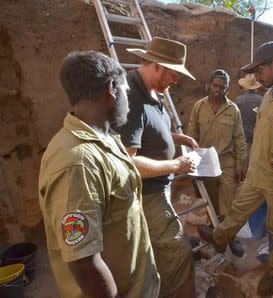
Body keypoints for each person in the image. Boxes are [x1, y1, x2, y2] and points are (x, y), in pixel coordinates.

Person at [198, 41, 273, 296]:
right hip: (256, 174)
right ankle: (219, 240)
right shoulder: (268, 95)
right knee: (237, 210)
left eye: (259, 69)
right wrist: (247, 164)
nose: (256, 76)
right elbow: (261, 137)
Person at [39, 51, 160, 297]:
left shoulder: (107, 138)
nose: (128, 99)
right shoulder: (77, 163)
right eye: (126, 91)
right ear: (112, 89)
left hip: (137, 284)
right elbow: (84, 263)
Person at [113, 37, 197, 298]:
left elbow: (148, 134)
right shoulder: (132, 98)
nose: (176, 80)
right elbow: (129, 162)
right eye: (173, 74)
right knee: (180, 252)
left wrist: (177, 138)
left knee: (161, 252)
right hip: (147, 194)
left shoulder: (152, 92)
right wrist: (177, 164)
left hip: (159, 187)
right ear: (158, 66)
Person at [187, 69, 247, 256]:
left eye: (222, 87)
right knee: (210, 201)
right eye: (215, 85)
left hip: (226, 163)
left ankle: (230, 237)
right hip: (205, 162)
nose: (217, 90)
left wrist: (240, 165)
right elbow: (192, 134)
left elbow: (240, 139)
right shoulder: (199, 106)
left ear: (226, 89)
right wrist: (190, 159)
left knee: (228, 201)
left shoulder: (232, 110)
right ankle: (215, 232)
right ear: (209, 85)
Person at [234, 73, 263, 147]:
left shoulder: (238, 100)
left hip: (241, 139)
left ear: (244, 87)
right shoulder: (262, 100)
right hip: (257, 139)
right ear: (255, 87)